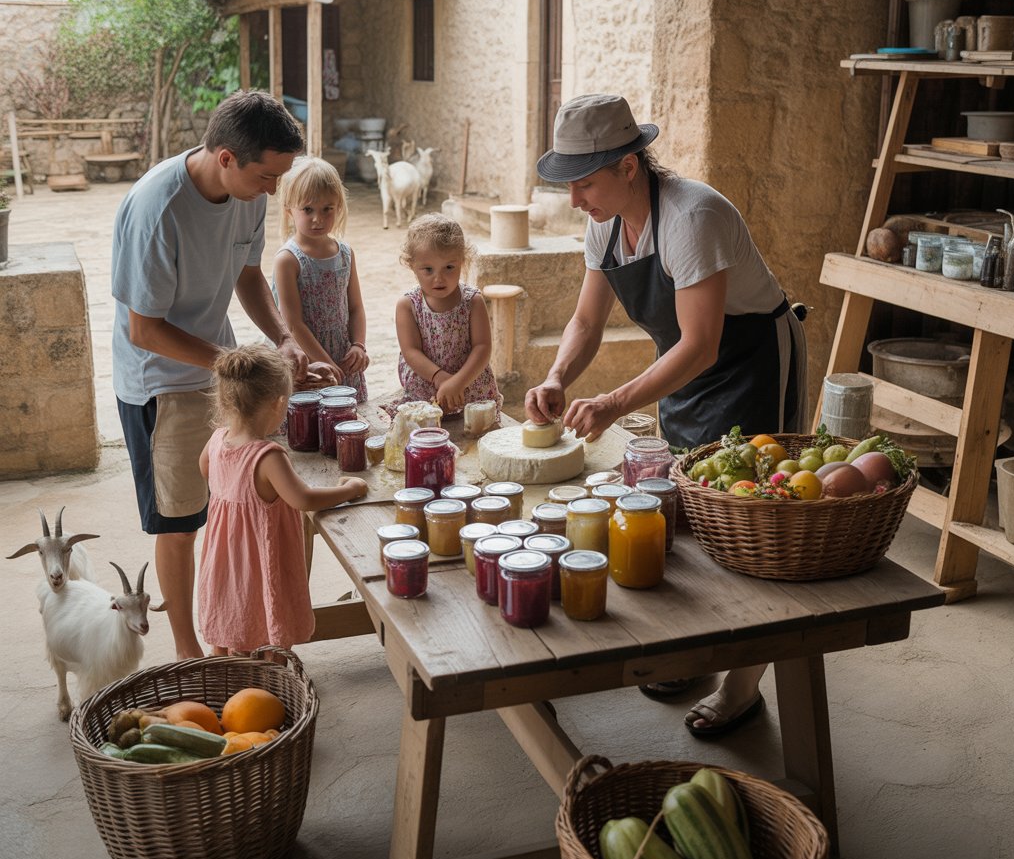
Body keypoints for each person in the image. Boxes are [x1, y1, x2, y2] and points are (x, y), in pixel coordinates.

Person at [525, 93, 807, 737]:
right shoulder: (605, 221)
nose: (576, 201)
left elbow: (704, 344)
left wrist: (616, 402)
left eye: (585, 184)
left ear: (629, 167)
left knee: (751, 525)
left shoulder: (692, 216)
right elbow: (586, 319)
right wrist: (556, 376)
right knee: (680, 510)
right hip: (684, 366)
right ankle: (695, 656)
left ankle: (742, 688)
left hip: (751, 360)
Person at [111, 89, 308, 660]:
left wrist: (284, 340)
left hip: (214, 363)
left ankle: (246, 632)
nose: (274, 190)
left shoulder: (250, 192)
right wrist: (233, 364)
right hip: (157, 381)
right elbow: (142, 330)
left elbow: (248, 277)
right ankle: (187, 651)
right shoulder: (158, 209)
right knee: (179, 522)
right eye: (268, 177)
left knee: (236, 502)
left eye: (280, 177)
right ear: (226, 158)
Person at [197, 345, 368, 655]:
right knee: (265, 626)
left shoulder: (217, 440)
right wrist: (351, 489)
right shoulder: (267, 456)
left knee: (229, 625)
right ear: (279, 405)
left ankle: (221, 680)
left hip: (226, 559)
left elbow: (206, 470)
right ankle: (273, 687)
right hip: (259, 561)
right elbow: (303, 498)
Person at [272, 157, 369, 401]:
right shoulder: (288, 260)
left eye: (328, 209)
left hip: (342, 355)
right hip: (307, 358)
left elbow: (356, 307)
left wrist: (358, 345)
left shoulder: (345, 254)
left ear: (339, 206)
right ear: (289, 210)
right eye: (308, 210)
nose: (318, 218)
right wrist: (324, 363)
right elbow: (293, 324)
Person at [394, 213, 502, 415]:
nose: (439, 279)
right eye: (428, 269)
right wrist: (440, 377)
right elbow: (411, 351)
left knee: (475, 428)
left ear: (462, 261)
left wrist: (458, 382)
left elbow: (482, 347)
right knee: (425, 424)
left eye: (449, 267)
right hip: (427, 384)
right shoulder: (408, 305)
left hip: (469, 383)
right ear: (412, 265)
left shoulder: (472, 301)